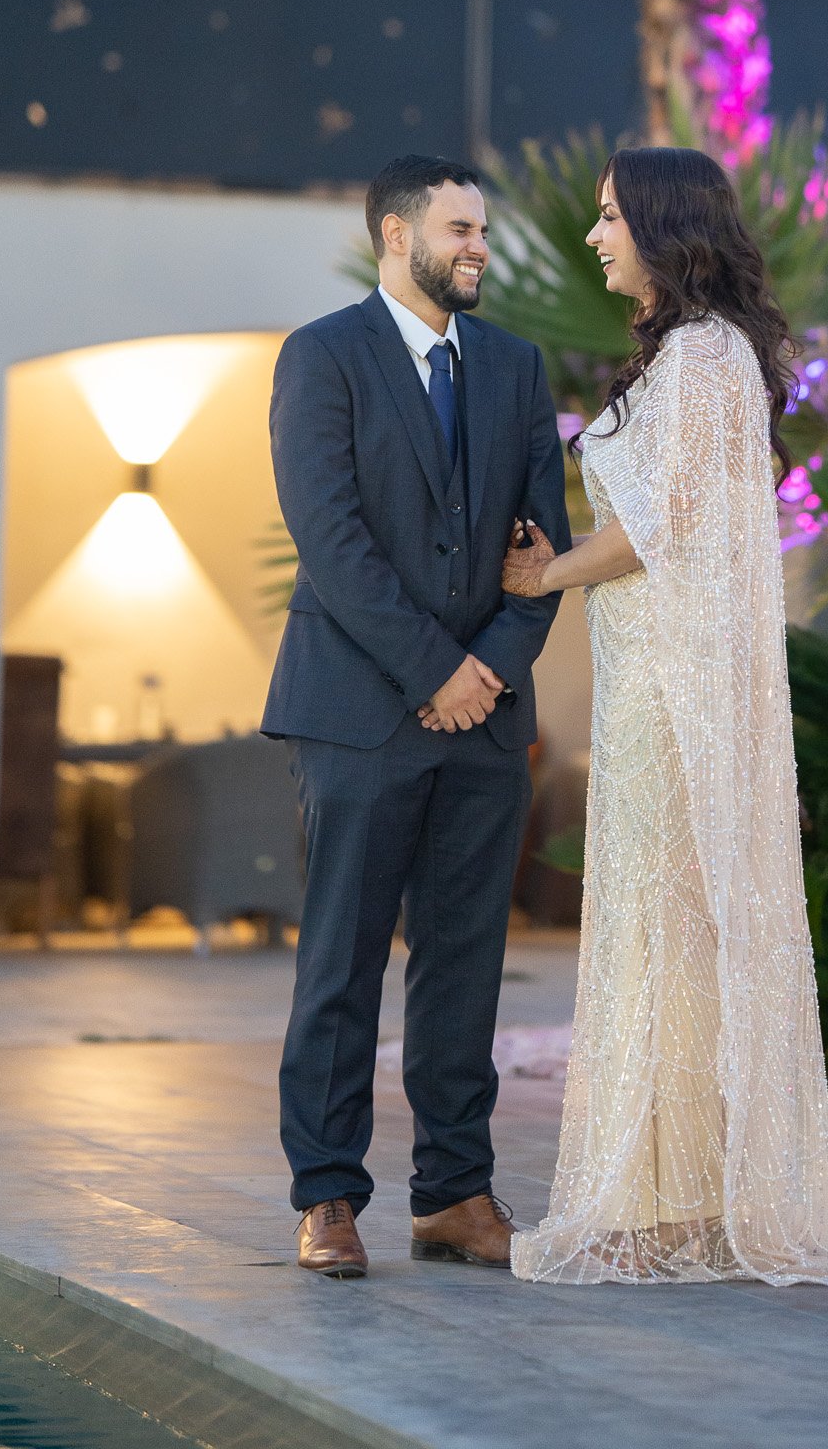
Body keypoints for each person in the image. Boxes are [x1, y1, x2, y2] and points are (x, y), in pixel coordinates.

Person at [496, 147, 828, 1289]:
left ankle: (685, 1203)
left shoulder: (705, 355)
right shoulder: (690, 354)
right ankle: (674, 1199)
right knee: (663, 940)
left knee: (674, 938)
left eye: (611, 217)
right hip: (653, 681)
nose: (595, 237)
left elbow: (661, 525)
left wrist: (548, 573)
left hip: (679, 693)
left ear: (663, 226)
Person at [265, 154, 570, 1279]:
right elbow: (330, 539)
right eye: (459, 229)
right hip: (356, 711)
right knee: (341, 960)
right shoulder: (322, 356)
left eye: (482, 230)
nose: (480, 247)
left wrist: (486, 669)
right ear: (396, 237)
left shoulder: (515, 367)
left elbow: (540, 550)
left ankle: (454, 1194)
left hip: (484, 719)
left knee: (465, 963)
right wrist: (433, 671)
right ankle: (326, 1196)